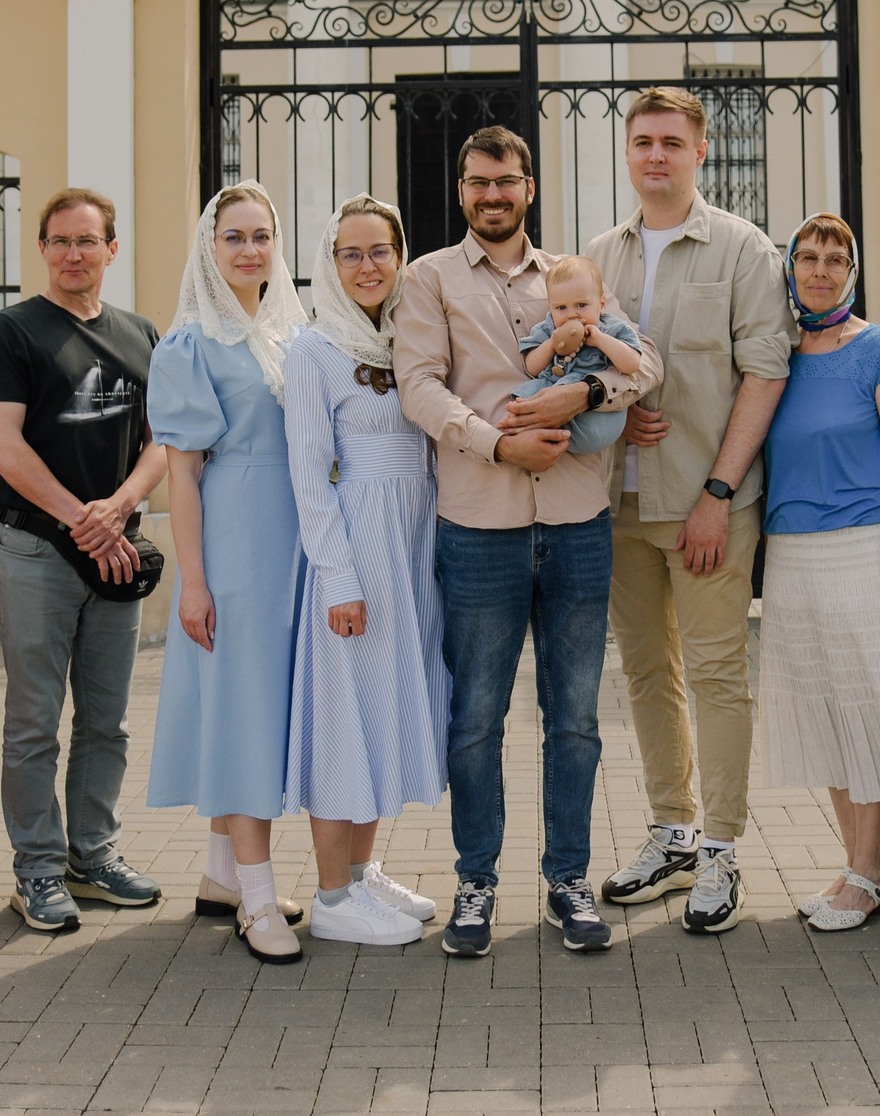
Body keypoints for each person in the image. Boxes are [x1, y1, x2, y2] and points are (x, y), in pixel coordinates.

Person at [395, 126, 657, 957]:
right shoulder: (427, 278)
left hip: (578, 526)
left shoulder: (573, 278)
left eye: (505, 181)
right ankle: (476, 883)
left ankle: (568, 882)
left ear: (529, 188)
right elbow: (418, 385)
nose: (491, 194)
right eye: (477, 182)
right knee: (475, 719)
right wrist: (496, 442)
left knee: (574, 719)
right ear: (462, 189)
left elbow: (639, 365)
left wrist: (580, 394)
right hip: (479, 528)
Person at [585, 86, 791, 934]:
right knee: (644, 674)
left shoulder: (743, 249)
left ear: (700, 152)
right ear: (628, 153)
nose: (657, 155)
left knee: (715, 675)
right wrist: (611, 406)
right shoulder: (601, 253)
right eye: (643, 142)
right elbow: (583, 368)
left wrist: (717, 492)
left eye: (672, 141)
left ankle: (722, 849)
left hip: (708, 505)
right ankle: (671, 834)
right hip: (618, 503)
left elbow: (766, 372)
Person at [0, 188, 168, 935]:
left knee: (107, 720)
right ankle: (37, 872)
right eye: (59, 242)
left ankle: (92, 854)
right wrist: (83, 519)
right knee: (33, 720)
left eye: (87, 241)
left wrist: (117, 508)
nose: (72, 254)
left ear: (111, 250)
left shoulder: (140, 333)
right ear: (44, 250)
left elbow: (164, 440)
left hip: (116, 551)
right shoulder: (12, 332)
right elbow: (3, 445)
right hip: (37, 550)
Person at [148, 182, 312, 964]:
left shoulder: (289, 333)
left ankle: (222, 875)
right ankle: (256, 898)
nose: (250, 250)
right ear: (209, 251)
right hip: (238, 537)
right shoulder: (189, 344)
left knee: (265, 704)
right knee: (245, 711)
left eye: (261, 236)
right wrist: (195, 580)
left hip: (294, 539)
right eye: (233, 237)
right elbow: (182, 474)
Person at [282, 196, 451, 947]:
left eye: (380, 250)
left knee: (381, 713)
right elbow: (311, 478)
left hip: (411, 543)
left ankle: (360, 873)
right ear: (330, 262)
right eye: (350, 254)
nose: (367, 266)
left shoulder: (403, 340)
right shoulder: (312, 350)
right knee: (344, 716)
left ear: (400, 253)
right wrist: (339, 578)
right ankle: (328, 894)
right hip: (358, 544)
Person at [754, 214, 880, 936]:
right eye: (809, 258)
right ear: (790, 267)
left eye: (835, 260)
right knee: (824, 707)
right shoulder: (775, 354)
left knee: (865, 703)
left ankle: (866, 871)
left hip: (865, 545)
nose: (820, 270)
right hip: (790, 552)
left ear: (850, 272)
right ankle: (859, 869)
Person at [513, 255, 644, 454]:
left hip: (595, 415)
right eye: (561, 308)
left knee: (593, 424)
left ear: (601, 304)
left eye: (581, 305)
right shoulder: (549, 328)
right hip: (553, 392)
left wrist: (600, 340)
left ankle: (549, 432)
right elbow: (531, 367)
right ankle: (520, 427)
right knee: (521, 400)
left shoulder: (611, 328)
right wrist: (551, 345)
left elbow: (632, 364)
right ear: (551, 307)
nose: (572, 314)